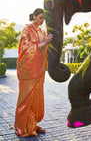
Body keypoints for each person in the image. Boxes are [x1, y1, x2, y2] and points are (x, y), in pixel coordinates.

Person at [14, 8, 53, 137]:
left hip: (39, 72)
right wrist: (43, 43)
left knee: (36, 99)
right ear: (34, 16)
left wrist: (49, 43)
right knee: (26, 100)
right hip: (29, 72)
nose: (42, 21)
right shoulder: (27, 30)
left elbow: (45, 49)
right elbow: (25, 49)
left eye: (43, 18)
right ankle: (22, 127)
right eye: (40, 17)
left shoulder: (43, 31)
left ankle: (33, 125)